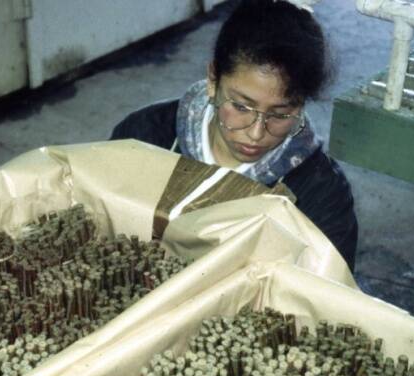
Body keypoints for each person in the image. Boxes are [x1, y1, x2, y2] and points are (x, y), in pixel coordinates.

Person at [111, 0, 358, 271]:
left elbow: (326, 297)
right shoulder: (142, 139)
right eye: (241, 106)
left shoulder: (321, 196)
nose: (255, 133)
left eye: (280, 114)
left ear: (301, 105)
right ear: (213, 79)